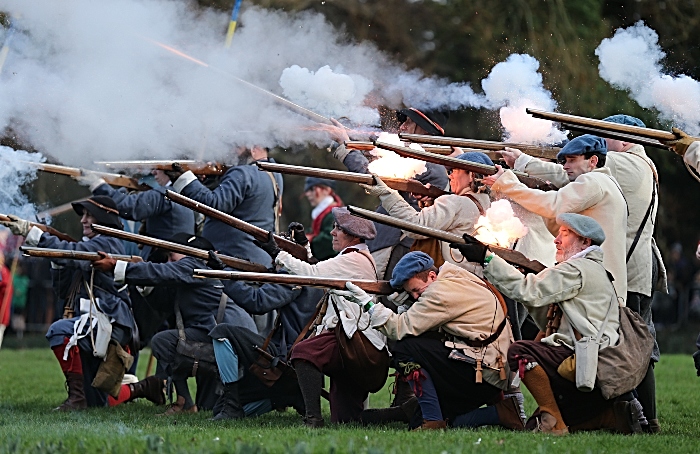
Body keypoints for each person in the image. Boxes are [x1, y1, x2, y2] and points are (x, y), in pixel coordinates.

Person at [454, 213, 644, 434]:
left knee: (519, 352)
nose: (556, 240)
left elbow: (529, 291)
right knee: (533, 424)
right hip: (589, 354)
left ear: (585, 242)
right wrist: (522, 274)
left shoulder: (577, 268)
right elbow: (549, 316)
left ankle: (555, 422)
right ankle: (610, 417)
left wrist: (487, 259)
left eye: (564, 234)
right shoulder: (590, 268)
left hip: (587, 357)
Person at [337, 251, 516, 430]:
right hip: (490, 370)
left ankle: (433, 420)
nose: (415, 296)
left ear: (431, 276)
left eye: (415, 290)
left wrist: (368, 304)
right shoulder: (455, 275)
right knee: (417, 420)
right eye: (410, 292)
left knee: (404, 348)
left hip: (482, 374)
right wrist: (408, 304)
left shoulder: (438, 293)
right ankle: (498, 413)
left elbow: (399, 328)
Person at [93, 233, 258, 414]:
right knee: (208, 407)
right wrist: (141, 279)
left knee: (163, 342)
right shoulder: (195, 270)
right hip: (222, 337)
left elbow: (162, 272)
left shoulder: (194, 263)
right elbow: (165, 303)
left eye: (172, 255)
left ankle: (184, 403)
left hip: (227, 341)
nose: (169, 261)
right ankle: (186, 401)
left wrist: (117, 266)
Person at [255, 207, 388, 427]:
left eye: (338, 229)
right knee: (347, 421)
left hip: (351, 335)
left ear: (353, 236)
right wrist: (303, 246)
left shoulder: (353, 259)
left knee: (303, 353)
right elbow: (320, 268)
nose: (333, 232)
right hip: (350, 334)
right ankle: (398, 415)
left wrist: (277, 253)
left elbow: (313, 274)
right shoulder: (354, 256)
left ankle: (313, 419)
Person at [0, 196, 136, 410]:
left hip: (110, 322)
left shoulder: (107, 242)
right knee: (98, 402)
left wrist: (32, 233)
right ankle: (146, 388)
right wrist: (58, 259)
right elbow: (64, 290)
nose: (83, 220)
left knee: (58, 331)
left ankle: (76, 398)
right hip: (96, 323)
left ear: (103, 218)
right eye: (83, 215)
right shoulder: (91, 245)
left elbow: (74, 254)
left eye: (89, 215)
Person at [483, 135, 628, 304]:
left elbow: (552, 205)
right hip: (599, 281)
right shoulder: (605, 182)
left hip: (594, 280)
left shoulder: (593, 181)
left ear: (593, 161)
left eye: (572, 160)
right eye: (565, 161)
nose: (566, 167)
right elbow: (558, 222)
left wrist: (506, 183)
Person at [319, 109, 450, 281]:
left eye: (409, 122)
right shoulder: (416, 158)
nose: (402, 126)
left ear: (424, 130)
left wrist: (345, 144)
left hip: (397, 247)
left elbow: (374, 178)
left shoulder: (427, 163)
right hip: (391, 245)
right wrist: (355, 136)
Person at [206, 244, 325, 420]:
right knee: (218, 409)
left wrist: (224, 274)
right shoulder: (313, 273)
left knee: (222, 332)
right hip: (300, 367)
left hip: (287, 362)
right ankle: (286, 396)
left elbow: (257, 302)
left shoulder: (293, 276)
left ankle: (232, 406)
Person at [362, 152, 493, 275]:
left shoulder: (456, 202)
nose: (450, 175)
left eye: (454, 170)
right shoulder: (490, 205)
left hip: (450, 279)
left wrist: (387, 194)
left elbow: (416, 227)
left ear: (471, 175)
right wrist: (431, 203)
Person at [168, 146, 283, 268]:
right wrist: (210, 182)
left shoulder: (242, 172)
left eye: (237, 145)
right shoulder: (272, 172)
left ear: (253, 147)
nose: (231, 149)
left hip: (234, 260)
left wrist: (184, 178)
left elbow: (215, 205)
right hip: (254, 259)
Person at [79, 169, 195, 260]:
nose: (153, 172)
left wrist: (97, 184)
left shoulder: (166, 194)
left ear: (169, 170)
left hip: (162, 262)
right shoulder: (179, 193)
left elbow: (128, 207)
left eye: (158, 168)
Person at [303, 177, 343, 261]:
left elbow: (330, 241)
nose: (307, 194)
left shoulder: (335, 214)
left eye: (312, 189)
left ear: (327, 190)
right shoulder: (323, 214)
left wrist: (309, 241)